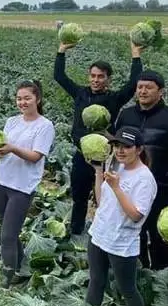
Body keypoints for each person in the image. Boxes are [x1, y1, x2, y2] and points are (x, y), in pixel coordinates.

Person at [54, 39, 143, 236]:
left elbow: (133, 84)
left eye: (100, 77)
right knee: (78, 196)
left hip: (104, 158)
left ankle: (103, 233)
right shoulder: (80, 93)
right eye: (93, 76)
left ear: (108, 79)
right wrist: (61, 51)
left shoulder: (114, 98)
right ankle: (77, 232)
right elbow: (59, 76)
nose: (95, 80)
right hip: (81, 155)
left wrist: (135, 55)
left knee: (105, 198)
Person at [115, 70, 168, 269]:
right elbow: (118, 148)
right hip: (131, 183)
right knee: (134, 230)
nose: (142, 91)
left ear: (161, 92)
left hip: (161, 183)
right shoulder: (126, 114)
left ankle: (161, 275)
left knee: (159, 232)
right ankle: (139, 272)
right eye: (140, 87)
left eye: (148, 87)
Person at [86, 127, 157, 306]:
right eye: (117, 146)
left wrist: (117, 187)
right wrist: (99, 171)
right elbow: (101, 201)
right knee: (96, 281)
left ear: (139, 149)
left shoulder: (145, 179)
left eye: (126, 147)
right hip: (99, 233)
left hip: (121, 241)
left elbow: (136, 215)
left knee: (128, 290)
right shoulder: (116, 166)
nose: (120, 151)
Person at [0, 80, 55, 288]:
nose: (22, 102)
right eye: (19, 98)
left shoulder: (44, 126)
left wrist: (12, 148)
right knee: (8, 230)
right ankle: (18, 268)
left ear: (38, 99)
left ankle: (7, 279)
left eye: (27, 98)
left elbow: (36, 156)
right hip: (2, 182)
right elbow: (2, 146)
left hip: (22, 187)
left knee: (8, 235)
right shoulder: (11, 121)